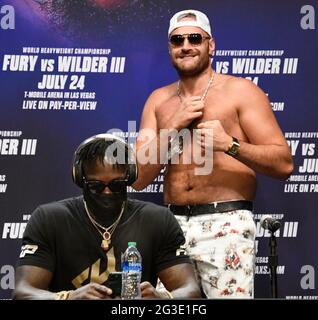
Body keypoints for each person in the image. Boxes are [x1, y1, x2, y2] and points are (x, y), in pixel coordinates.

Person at [133, 9, 294, 299]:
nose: (185, 46)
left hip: (227, 223)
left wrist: (229, 144)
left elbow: (283, 163)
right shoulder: (158, 100)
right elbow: (138, 178)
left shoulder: (242, 91)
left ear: (211, 45)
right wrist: (172, 126)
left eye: (194, 38)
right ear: (170, 48)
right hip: (172, 225)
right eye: (177, 40)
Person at [12, 133, 200, 300]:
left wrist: (162, 297)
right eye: (96, 186)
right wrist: (69, 297)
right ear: (80, 179)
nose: (107, 192)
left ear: (130, 177)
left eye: (117, 185)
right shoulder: (49, 219)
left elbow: (190, 290)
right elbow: (23, 292)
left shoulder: (158, 219)